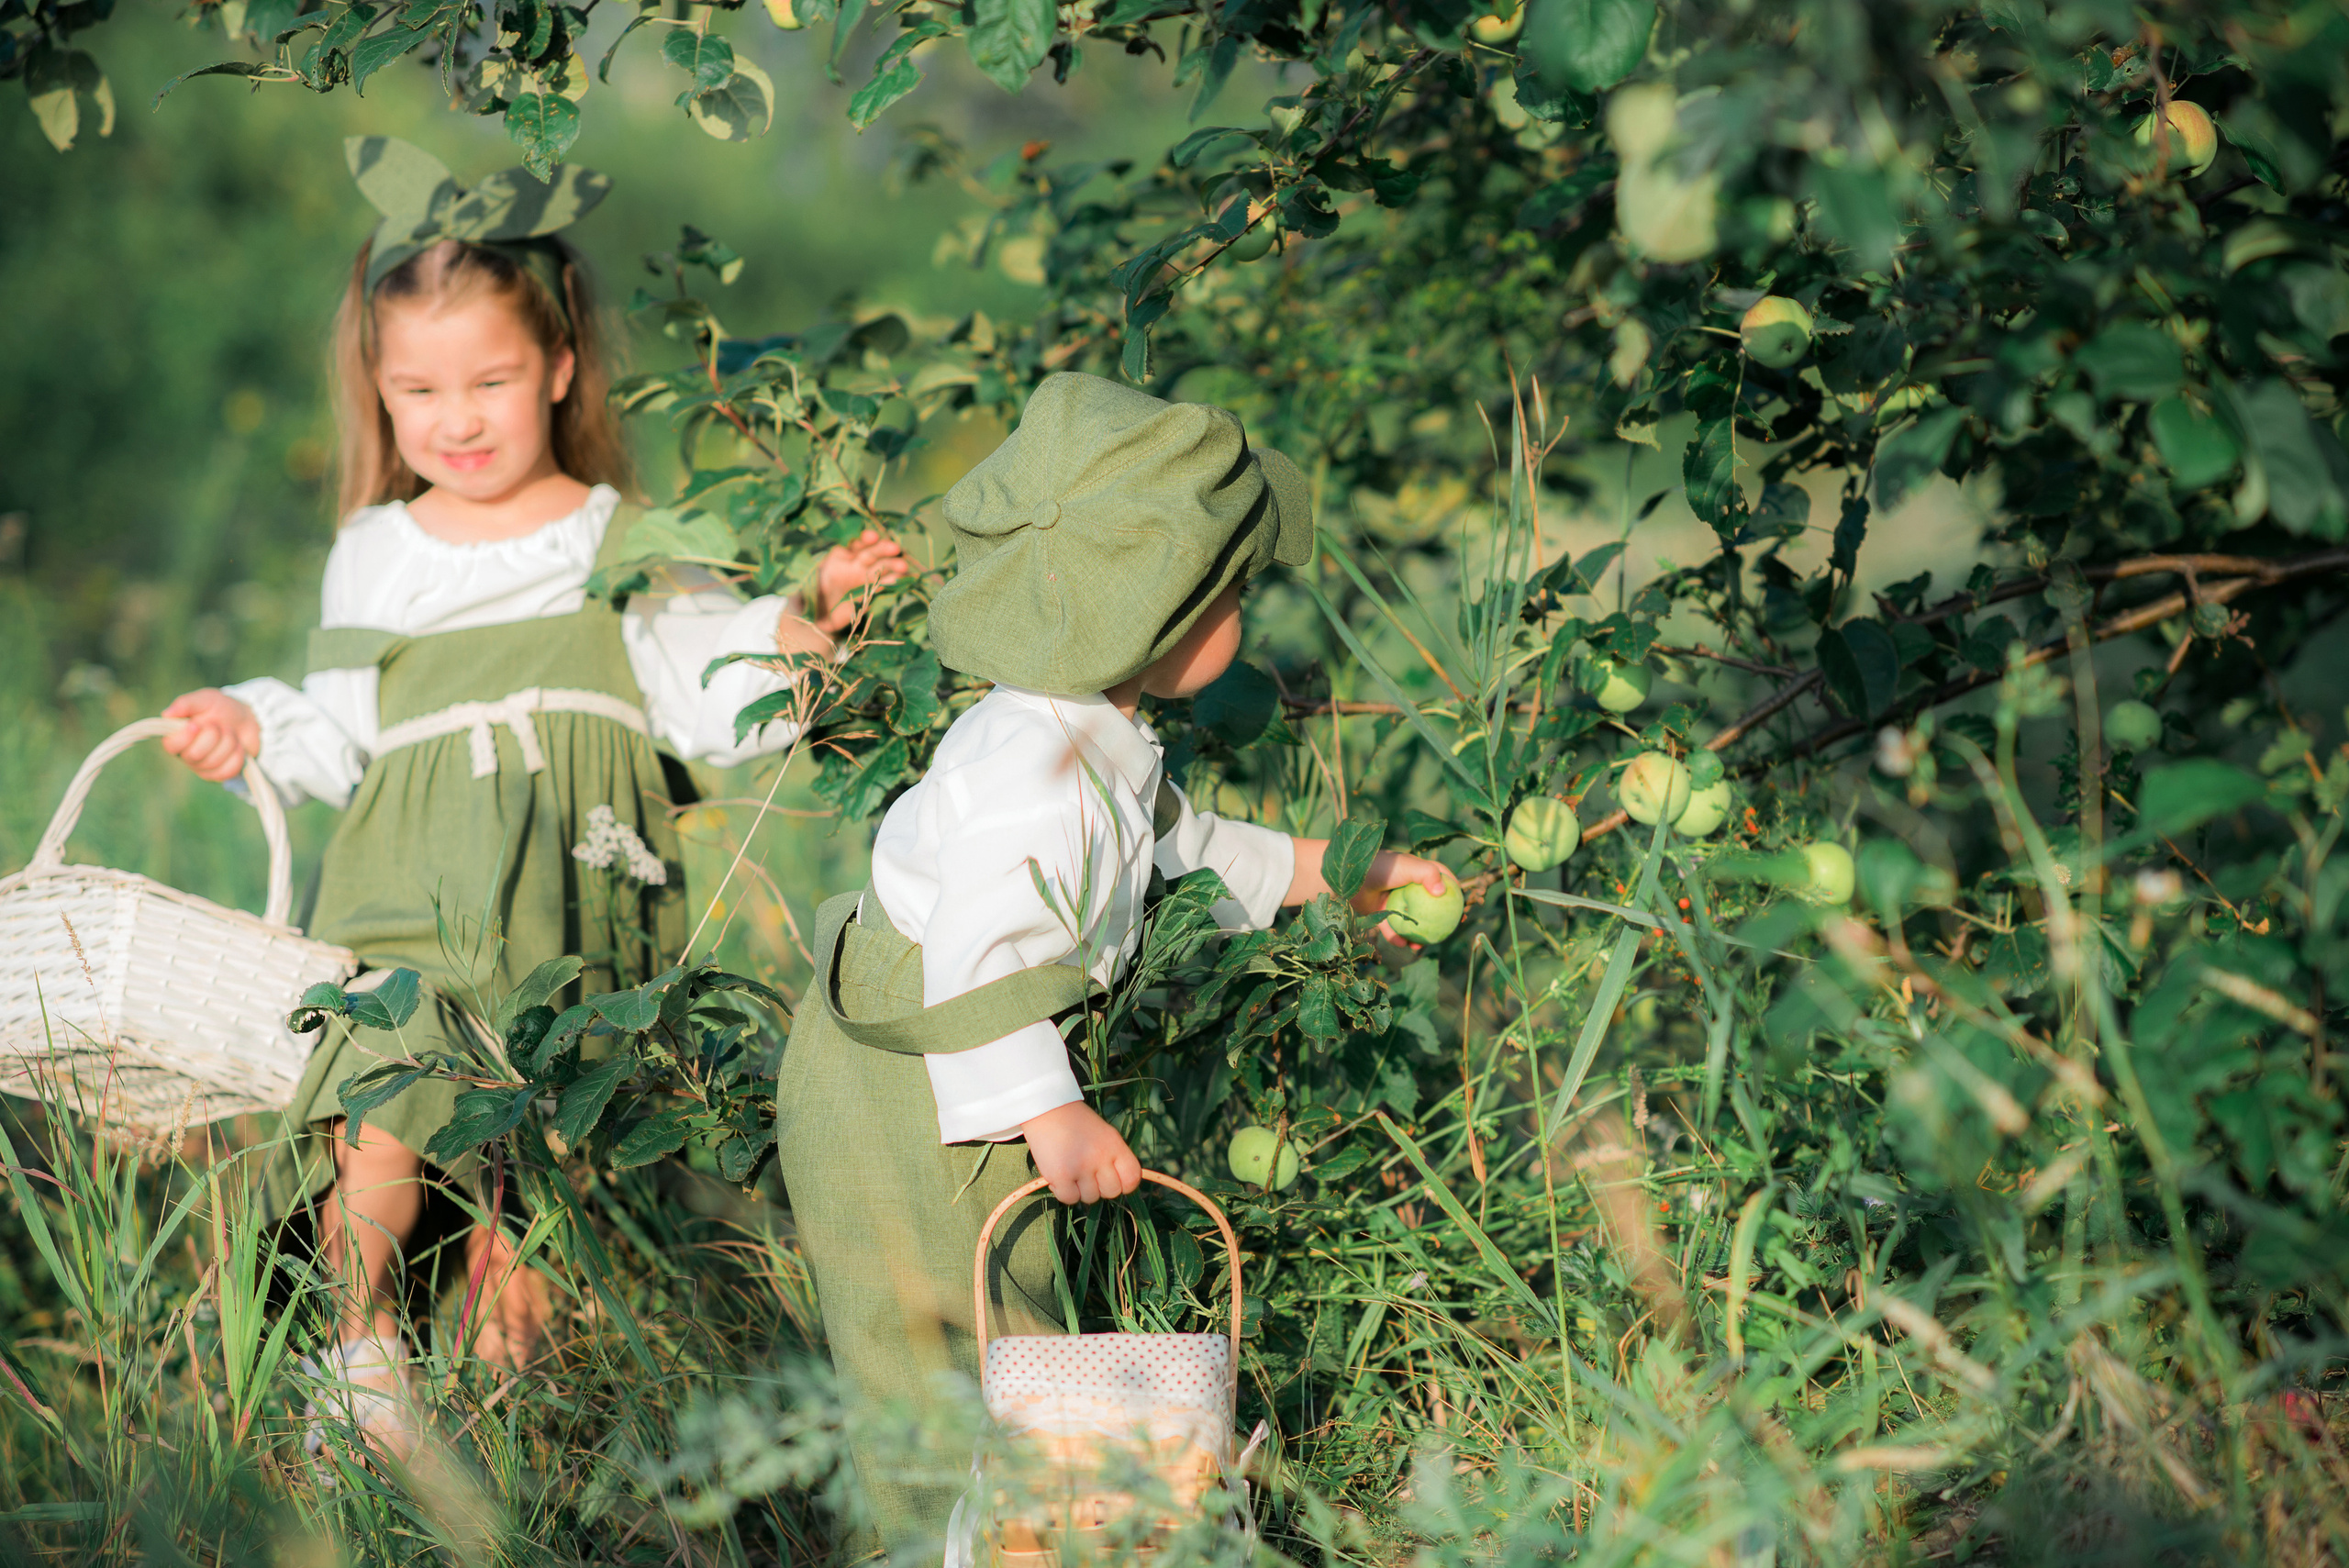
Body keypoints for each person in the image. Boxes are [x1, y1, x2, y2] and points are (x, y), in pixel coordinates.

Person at [159, 138, 907, 1452]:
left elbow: (704, 677)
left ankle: (520, 1434)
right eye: (418, 390)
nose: (456, 417)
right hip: (408, 897)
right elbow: (342, 727)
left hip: (579, 904)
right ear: (378, 394)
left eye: (491, 379)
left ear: (560, 365)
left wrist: (809, 623)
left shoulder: (616, 539)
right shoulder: (379, 554)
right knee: (378, 1111)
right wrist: (247, 724)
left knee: (544, 1174)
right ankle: (358, 1358)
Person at [775, 371, 1455, 1556]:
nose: (1241, 606)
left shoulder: (1091, 735)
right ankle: (935, 1540)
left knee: (1009, 1315)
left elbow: (1183, 847)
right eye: (1230, 586)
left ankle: (1029, 1529)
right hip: (903, 1084)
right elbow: (979, 960)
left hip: (964, 1066)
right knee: (934, 1337)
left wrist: (1339, 869)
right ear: (1160, 601)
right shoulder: (1023, 772)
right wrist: (1051, 1112)